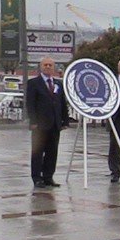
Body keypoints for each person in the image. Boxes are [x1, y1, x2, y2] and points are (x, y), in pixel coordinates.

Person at [25, 57, 68, 188]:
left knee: (52, 152)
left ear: (54, 68)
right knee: (38, 152)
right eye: (45, 65)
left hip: (54, 124)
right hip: (39, 125)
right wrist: (33, 121)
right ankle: (37, 178)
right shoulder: (33, 83)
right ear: (41, 67)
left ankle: (48, 177)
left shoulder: (58, 83)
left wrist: (65, 120)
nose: (48, 67)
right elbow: (30, 103)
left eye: (50, 65)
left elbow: (62, 103)